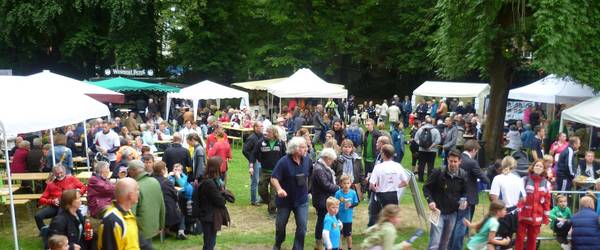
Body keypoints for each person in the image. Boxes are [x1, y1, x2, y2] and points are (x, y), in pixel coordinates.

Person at [271, 136, 311, 250]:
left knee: (302, 227)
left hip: (302, 200)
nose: (306, 149)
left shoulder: (307, 160)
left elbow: (311, 173)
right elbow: (274, 178)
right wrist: (279, 189)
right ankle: (278, 243)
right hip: (285, 201)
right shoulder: (284, 162)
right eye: (303, 147)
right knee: (280, 226)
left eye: (306, 147)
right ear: (295, 149)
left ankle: (298, 248)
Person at [449, 140, 490, 250]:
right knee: (462, 224)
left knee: (453, 223)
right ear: (474, 150)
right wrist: (489, 180)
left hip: (452, 195)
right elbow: (483, 178)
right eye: (476, 152)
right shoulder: (472, 163)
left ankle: (450, 245)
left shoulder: (456, 158)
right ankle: (456, 247)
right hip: (466, 197)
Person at [422, 150, 467, 250]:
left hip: (452, 213)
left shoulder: (463, 175)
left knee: (445, 243)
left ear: (460, 162)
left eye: (455, 161)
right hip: (437, 211)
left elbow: (465, 192)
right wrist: (430, 201)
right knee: (435, 242)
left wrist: (464, 200)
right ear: (447, 160)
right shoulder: (438, 172)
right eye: (451, 161)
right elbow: (426, 188)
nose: (452, 164)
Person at [36, 165, 87, 236]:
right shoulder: (50, 184)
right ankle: (46, 232)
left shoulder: (71, 179)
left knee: (79, 217)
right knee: (38, 216)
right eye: (57, 173)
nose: (59, 175)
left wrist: (77, 194)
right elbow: (41, 199)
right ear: (54, 173)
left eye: (61, 173)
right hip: (55, 206)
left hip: (69, 205)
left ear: (65, 171)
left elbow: (84, 187)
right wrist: (52, 201)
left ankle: (82, 232)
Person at [127, 160, 165, 250]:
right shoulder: (154, 181)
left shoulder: (135, 186)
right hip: (153, 225)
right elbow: (162, 204)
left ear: (133, 171)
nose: (128, 172)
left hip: (139, 228)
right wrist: (161, 224)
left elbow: (131, 212)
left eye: (129, 170)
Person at [514, 160, 551, 250]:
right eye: (536, 165)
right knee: (520, 238)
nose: (538, 167)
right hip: (523, 216)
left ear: (543, 169)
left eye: (540, 166)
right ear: (533, 167)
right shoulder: (524, 180)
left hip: (537, 216)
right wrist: (518, 211)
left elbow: (546, 201)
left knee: (533, 239)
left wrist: (546, 217)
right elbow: (519, 197)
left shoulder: (547, 183)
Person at [489, 156, 526, 246]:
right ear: (514, 166)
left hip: (502, 213)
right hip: (515, 213)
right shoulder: (518, 179)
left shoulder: (498, 178)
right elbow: (523, 198)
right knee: (507, 242)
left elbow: (494, 197)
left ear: (502, 164)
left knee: (499, 242)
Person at [369, 144, 409, 224]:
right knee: (392, 216)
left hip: (381, 194)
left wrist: (377, 190)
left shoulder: (378, 167)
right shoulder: (398, 166)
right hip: (393, 194)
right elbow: (405, 182)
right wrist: (396, 186)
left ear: (383, 154)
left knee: (381, 217)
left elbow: (371, 185)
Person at [98, 177, 140, 250]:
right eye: (137, 190)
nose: (139, 192)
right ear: (130, 195)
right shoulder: (112, 221)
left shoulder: (128, 213)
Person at [196, 157, 228, 250]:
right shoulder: (209, 183)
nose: (222, 166)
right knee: (209, 243)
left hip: (210, 214)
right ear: (215, 167)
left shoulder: (213, 180)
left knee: (210, 242)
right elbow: (220, 201)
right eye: (221, 164)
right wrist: (224, 196)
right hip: (208, 216)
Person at [254, 126, 286, 214]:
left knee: (274, 193)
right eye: (266, 132)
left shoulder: (281, 143)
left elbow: (284, 156)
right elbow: (254, 154)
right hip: (264, 171)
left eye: (268, 132)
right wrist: (254, 163)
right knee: (261, 190)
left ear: (274, 133)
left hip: (276, 173)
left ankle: (272, 210)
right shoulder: (260, 142)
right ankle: (270, 202)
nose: (266, 134)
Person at [312, 148, 340, 249]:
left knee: (324, 219)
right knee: (322, 220)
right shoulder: (319, 169)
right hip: (321, 200)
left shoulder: (323, 167)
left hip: (324, 198)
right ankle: (319, 241)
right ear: (326, 158)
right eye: (331, 160)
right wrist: (338, 188)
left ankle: (324, 240)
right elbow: (326, 185)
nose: (332, 162)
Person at [152, 161, 185, 239]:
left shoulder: (151, 180)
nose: (166, 168)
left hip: (154, 212)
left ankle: (167, 231)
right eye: (165, 167)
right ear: (162, 170)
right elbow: (175, 196)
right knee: (181, 211)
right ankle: (181, 231)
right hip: (167, 214)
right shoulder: (167, 182)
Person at [335, 175, 359, 250]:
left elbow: (356, 202)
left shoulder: (353, 193)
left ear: (351, 183)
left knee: (348, 235)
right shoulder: (338, 193)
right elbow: (334, 203)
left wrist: (351, 205)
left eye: (348, 183)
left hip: (348, 218)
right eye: (344, 183)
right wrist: (338, 202)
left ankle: (349, 248)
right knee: (340, 235)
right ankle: (340, 248)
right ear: (341, 184)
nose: (346, 185)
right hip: (339, 218)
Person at [243, 121, 264, 206]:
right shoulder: (252, 138)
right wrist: (252, 159)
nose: (262, 127)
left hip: (261, 161)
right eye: (260, 126)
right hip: (254, 162)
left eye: (262, 126)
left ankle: (261, 198)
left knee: (261, 180)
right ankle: (253, 200)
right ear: (255, 128)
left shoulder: (262, 136)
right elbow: (245, 150)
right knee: (255, 180)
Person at [415, 117, 441, 182]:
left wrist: (421, 144)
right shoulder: (435, 130)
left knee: (421, 164)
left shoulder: (420, 129)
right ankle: (429, 179)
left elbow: (416, 138)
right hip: (432, 151)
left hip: (421, 150)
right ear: (432, 122)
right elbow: (438, 140)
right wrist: (431, 147)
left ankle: (420, 179)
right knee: (431, 165)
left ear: (425, 122)